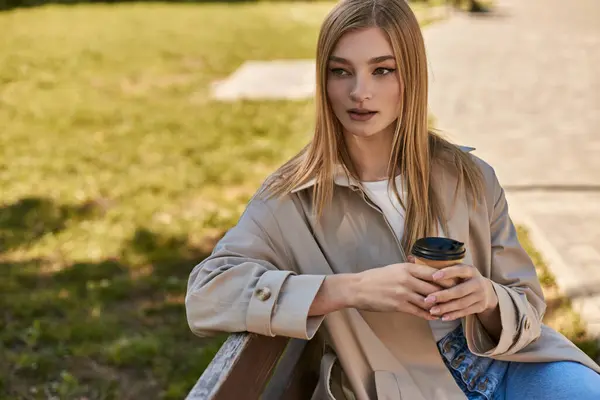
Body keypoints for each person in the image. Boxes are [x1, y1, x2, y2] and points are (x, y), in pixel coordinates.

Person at [185, 0, 600, 399]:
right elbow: (206, 296)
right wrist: (350, 289)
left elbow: (527, 308)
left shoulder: (470, 178)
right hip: (406, 385)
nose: (359, 92)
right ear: (323, 80)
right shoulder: (292, 197)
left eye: (382, 70)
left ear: (411, 78)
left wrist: (487, 298)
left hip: (513, 366)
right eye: (340, 71)